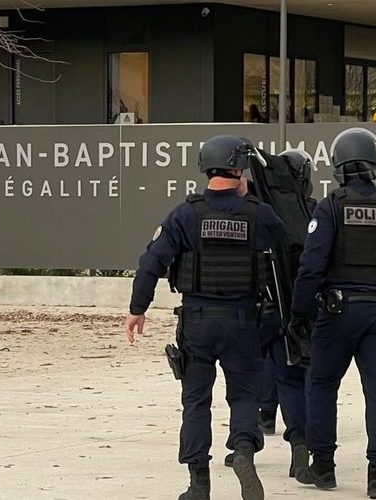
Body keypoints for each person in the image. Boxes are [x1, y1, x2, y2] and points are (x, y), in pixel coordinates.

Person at [124, 135, 287, 500]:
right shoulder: (258, 213)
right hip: (244, 320)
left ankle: (198, 483)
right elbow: (288, 252)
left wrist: (138, 309)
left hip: (197, 320)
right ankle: (243, 451)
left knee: (196, 399)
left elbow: (152, 262)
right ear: (239, 170)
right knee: (245, 395)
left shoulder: (186, 213)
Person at [289, 127, 376, 499]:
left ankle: (323, 467)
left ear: (338, 166)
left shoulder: (331, 205)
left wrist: (298, 312)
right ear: (374, 163)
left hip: (337, 312)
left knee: (321, 386)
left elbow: (311, 264)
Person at [224, 148, 318, 481]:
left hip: (249, 309)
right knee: (292, 379)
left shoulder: (248, 210)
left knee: (245, 380)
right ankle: (300, 451)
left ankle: (243, 446)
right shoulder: (307, 211)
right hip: (286, 308)